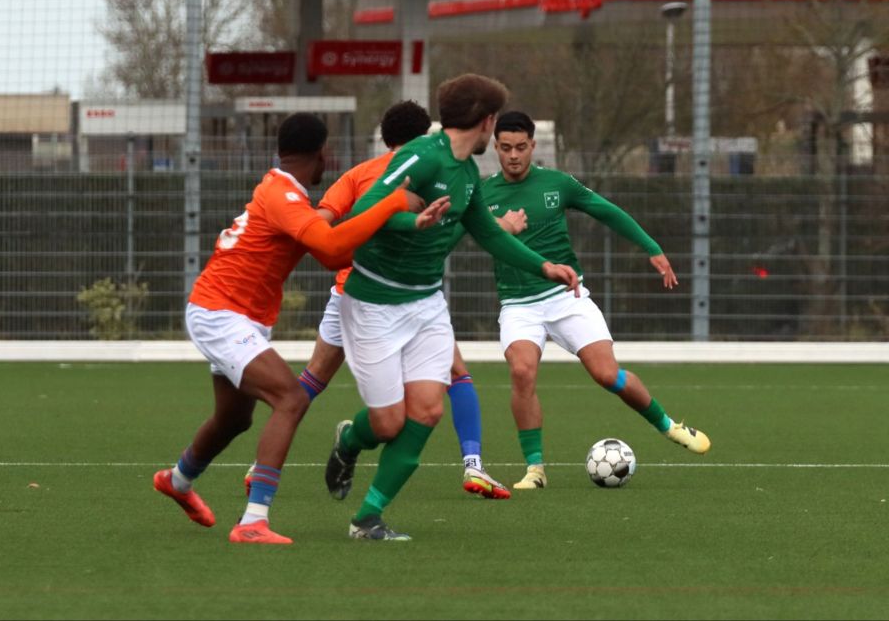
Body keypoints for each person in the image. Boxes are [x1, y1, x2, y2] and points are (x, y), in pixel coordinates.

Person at [153, 112, 447, 545]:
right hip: (220, 314)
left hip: (240, 316)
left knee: (234, 418)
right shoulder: (284, 195)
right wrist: (391, 204)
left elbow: (333, 245)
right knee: (290, 399)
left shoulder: (284, 192)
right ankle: (253, 522)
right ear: (322, 153)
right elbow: (330, 251)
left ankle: (177, 480)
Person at [324, 75, 581, 541]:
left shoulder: (466, 173)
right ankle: (349, 440)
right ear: (486, 121)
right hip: (374, 301)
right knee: (387, 423)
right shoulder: (422, 156)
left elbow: (488, 232)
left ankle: (367, 517)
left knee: (426, 412)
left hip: (426, 304)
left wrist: (545, 267)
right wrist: (412, 221)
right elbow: (363, 212)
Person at [483, 111, 711, 492]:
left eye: (521, 147)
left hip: (567, 297)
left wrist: (651, 247)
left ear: (533, 146)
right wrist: (500, 226)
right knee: (522, 372)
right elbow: (462, 227)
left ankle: (669, 426)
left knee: (607, 375)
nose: (514, 155)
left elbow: (605, 210)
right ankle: (535, 470)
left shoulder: (557, 183)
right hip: (519, 304)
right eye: (506, 148)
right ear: (495, 148)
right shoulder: (483, 193)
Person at [293, 99, 510, 500]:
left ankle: (265, 461)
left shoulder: (360, 173)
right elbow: (444, 230)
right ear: (424, 134)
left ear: (385, 137)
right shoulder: (429, 165)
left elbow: (322, 222)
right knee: (454, 376)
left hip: (350, 290)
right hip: (377, 295)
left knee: (312, 379)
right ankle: (472, 463)